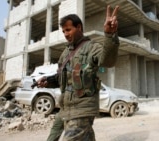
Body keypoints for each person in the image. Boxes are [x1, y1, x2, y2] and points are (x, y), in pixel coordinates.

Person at [35, 5, 120, 141]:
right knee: (52, 138)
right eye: (63, 31)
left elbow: (108, 61)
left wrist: (109, 36)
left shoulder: (91, 47)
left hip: (82, 109)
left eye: (68, 30)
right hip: (66, 108)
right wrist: (48, 81)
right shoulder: (65, 53)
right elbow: (62, 78)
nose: (66, 34)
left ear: (79, 27)